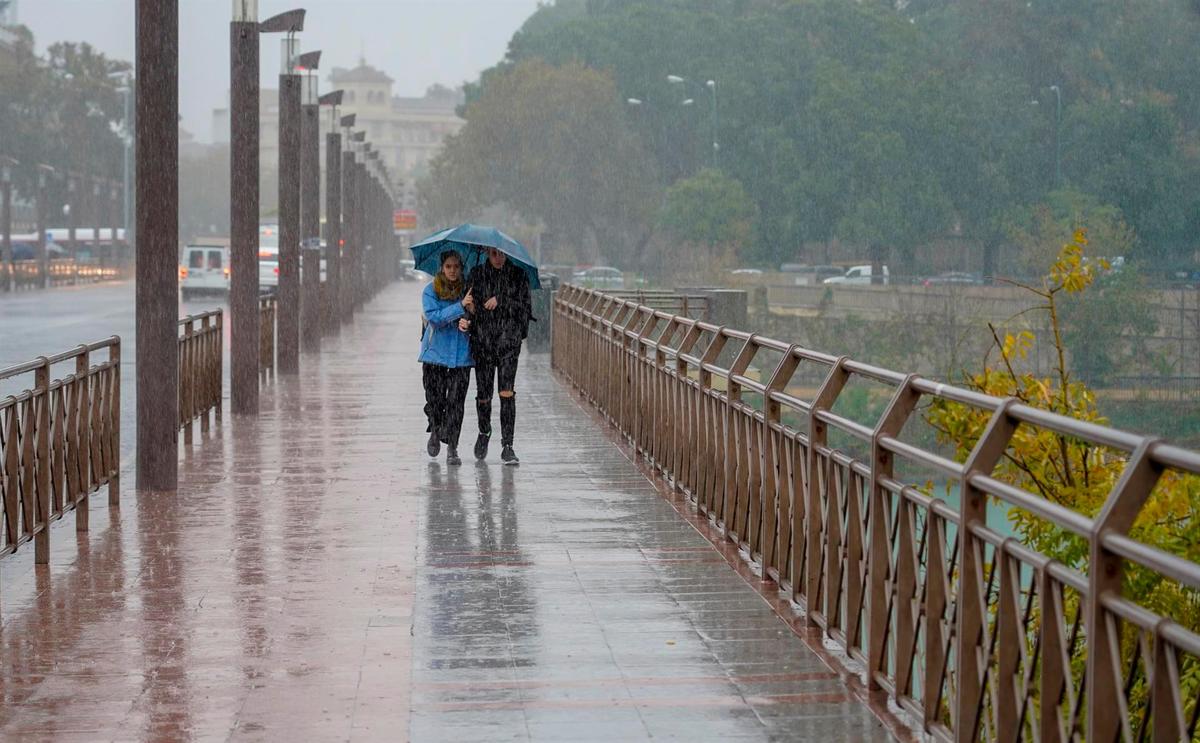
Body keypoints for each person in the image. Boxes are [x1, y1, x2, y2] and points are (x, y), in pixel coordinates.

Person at [466, 246, 532, 465]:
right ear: (486, 253)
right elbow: (469, 307)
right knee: (484, 395)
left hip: (507, 344)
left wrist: (502, 300)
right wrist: (469, 313)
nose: (498, 258)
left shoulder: (518, 276)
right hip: (483, 343)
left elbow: (525, 309)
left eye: (501, 254)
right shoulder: (476, 275)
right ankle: (484, 431)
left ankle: (508, 445)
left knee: (506, 393)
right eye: (494, 254)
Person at [419, 250, 475, 465]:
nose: (452, 271)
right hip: (435, 355)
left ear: (461, 268)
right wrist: (459, 308)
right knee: (435, 400)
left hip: (461, 357)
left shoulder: (469, 290)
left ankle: (452, 447)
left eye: (456, 267)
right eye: (448, 266)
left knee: (456, 403)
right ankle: (435, 428)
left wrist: (470, 317)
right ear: (442, 268)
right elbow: (434, 318)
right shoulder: (430, 290)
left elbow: (475, 315)